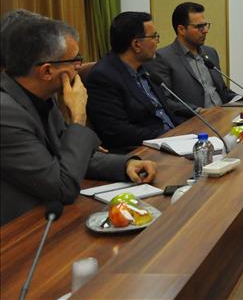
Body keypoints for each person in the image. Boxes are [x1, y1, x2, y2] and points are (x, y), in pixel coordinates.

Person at [0, 18, 156, 225]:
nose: (79, 67)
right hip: (19, 230)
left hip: (49, 215)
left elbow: (70, 156)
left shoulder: (43, 97)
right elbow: (62, 186)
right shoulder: (6, 114)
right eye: (75, 61)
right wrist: (79, 118)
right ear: (47, 71)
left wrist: (125, 164)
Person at [86, 12, 177, 152]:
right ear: (136, 44)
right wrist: (167, 137)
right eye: (154, 36)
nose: (157, 42)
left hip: (173, 139)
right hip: (144, 150)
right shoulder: (103, 77)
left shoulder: (146, 67)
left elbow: (164, 110)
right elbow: (116, 131)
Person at [145, 2, 235, 121]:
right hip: (195, 122)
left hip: (223, 117)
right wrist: (198, 111)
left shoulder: (210, 53)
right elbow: (165, 100)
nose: (205, 30)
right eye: (199, 26)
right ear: (181, 29)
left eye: (206, 25)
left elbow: (222, 91)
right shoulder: (162, 58)